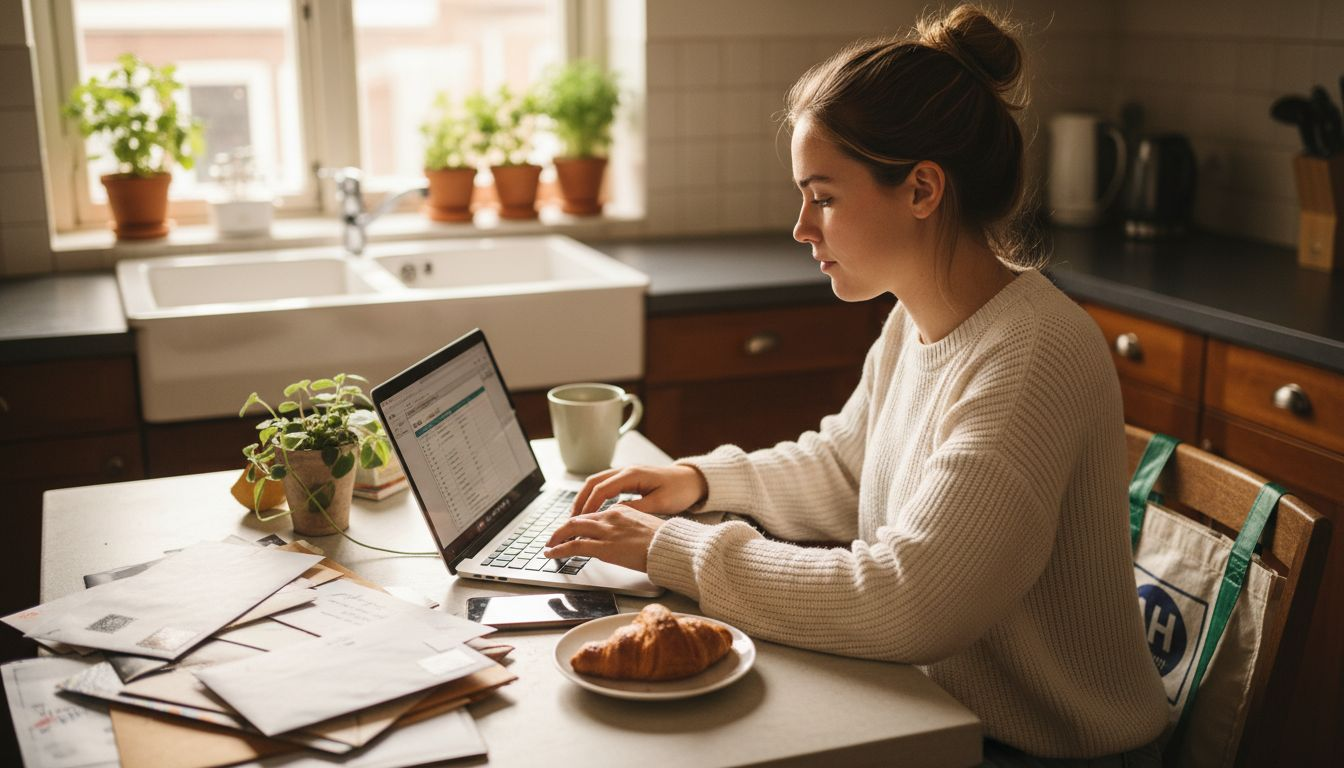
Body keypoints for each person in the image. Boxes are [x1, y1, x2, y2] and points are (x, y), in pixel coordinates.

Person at [544, 4, 1168, 763]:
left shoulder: (1031, 356)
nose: (803, 227)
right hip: (938, 709)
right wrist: (697, 482)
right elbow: (846, 467)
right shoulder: (916, 320)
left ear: (922, 189)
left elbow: (909, 601)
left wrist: (675, 551)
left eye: (825, 196)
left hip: (1048, 748)